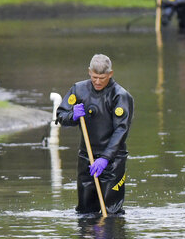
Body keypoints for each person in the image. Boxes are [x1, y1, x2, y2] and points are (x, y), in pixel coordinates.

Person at [55, 54, 134, 218]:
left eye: (102, 78)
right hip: (87, 158)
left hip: (113, 160)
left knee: (112, 213)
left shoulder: (120, 96)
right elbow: (61, 116)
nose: (97, 82)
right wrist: (72, 116)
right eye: (94, 77)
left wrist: (105, 158)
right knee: (85, 212)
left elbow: (121, 130)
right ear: (89, 72)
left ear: (110, 74)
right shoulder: (78, 90)